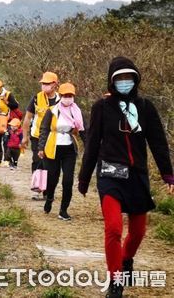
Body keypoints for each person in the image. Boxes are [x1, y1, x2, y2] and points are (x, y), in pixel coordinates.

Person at [78, 57, 174, 298]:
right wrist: (84, 177)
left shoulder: (145, 107)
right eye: (119, 78)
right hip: (110, 175)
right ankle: (115, 280)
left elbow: (158, 143)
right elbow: (91, 143)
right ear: (111, 81)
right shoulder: (102, 107)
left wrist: (168, 175)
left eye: (128, 78)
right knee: (113, 228)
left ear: (136, 79)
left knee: (139, 231)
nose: (124, 82)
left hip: (137, 177)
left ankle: (126, 258)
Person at [38, 83, 85, 221]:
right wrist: (41, 148)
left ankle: (63, 210)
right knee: (52, 178)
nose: (67, 98)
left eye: (70, 96)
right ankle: (49, 197)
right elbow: (44, 129)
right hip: (53, 147)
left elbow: (82, 130)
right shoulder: (52, 110)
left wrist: (88, 146)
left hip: (69, 148)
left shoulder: (76, 111)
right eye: (65, 95)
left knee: (68, 180)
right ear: (61, 96)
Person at [21, 72, 60, 200]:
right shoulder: (37, 98)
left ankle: (48, 191)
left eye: (47, 83)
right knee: (37, 161)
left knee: (50, 164)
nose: (44, 86)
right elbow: (27, 118)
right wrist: (25, 136)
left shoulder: (61, 100)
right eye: (43, 83)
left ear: (54, 84)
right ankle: (37, 187)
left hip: (53, 138)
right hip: (37, 136)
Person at [0, 79, 19, 167]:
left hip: (6, 120)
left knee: (6, 139)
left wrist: (7, 102)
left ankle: (7, 159)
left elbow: (15, 106)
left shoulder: (8, 94)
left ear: (1, 87)